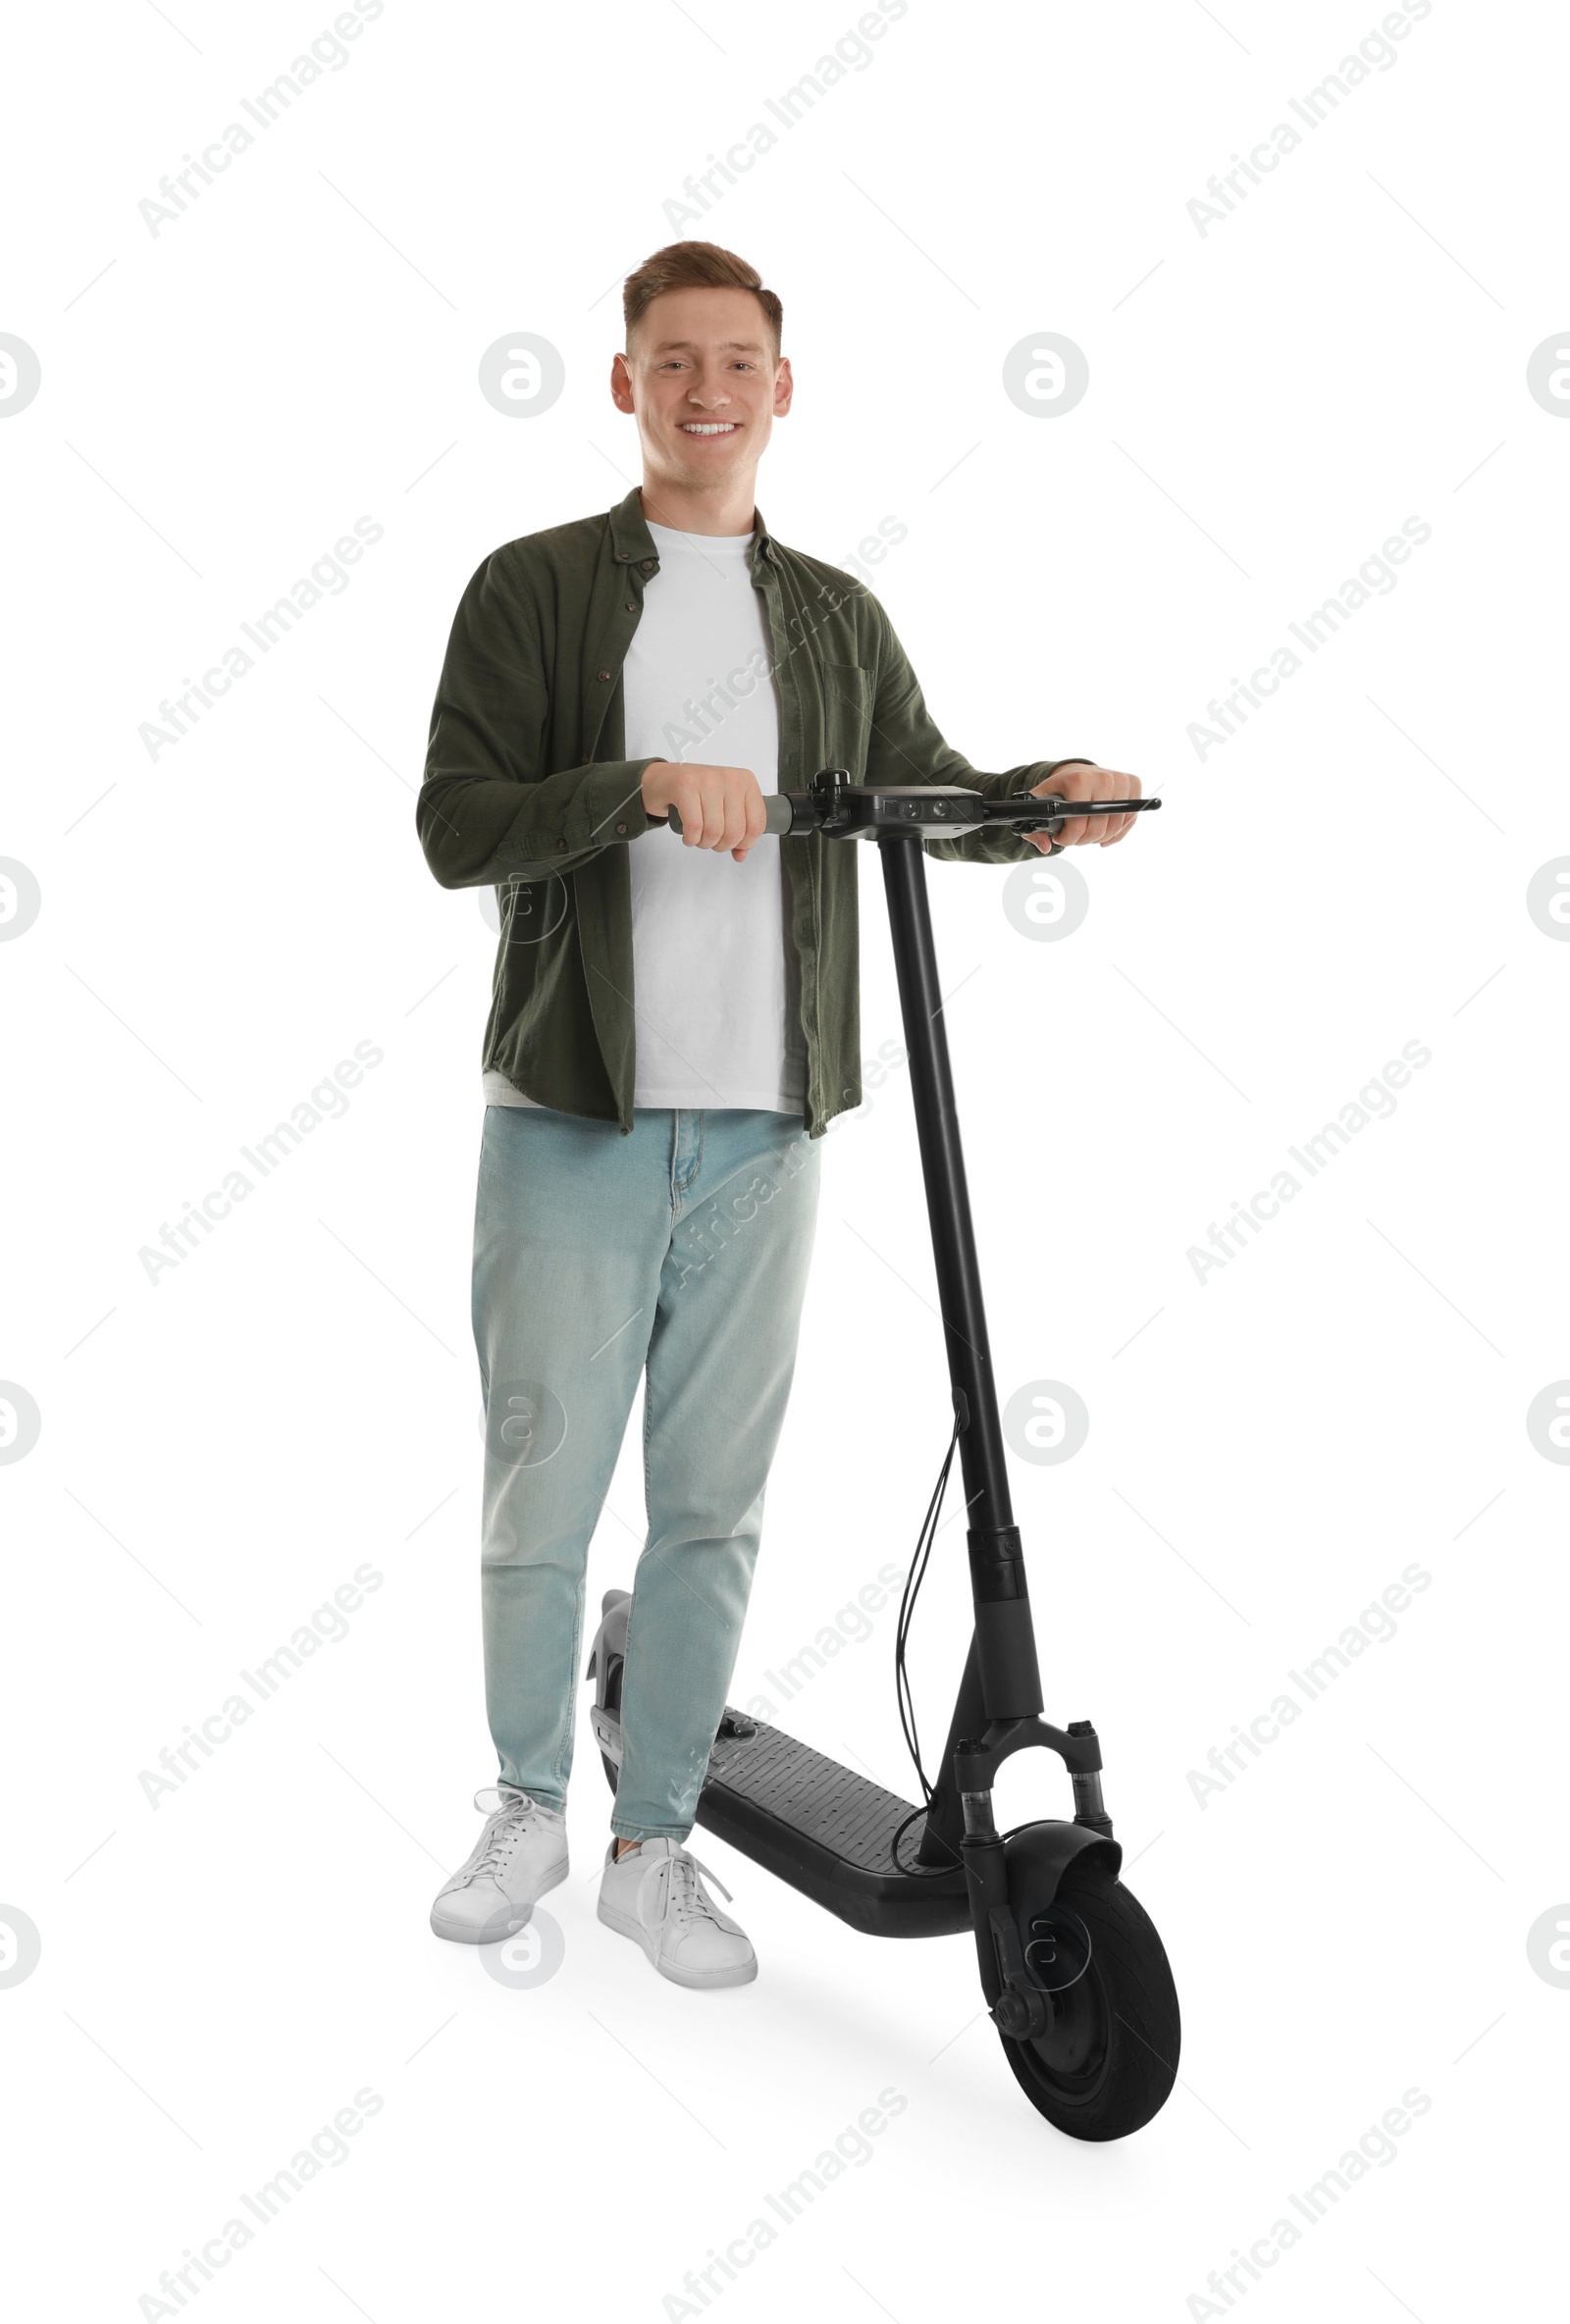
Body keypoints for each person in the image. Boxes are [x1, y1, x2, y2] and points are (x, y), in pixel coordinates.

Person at [415, 238, 1145, 1988]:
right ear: (626, 386)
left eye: (738, 360)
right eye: (674, 361)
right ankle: (529, 1797)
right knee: (543, 1489)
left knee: (713, 1505)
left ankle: (658, 1839)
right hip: (572, 1113)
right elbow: (459, 825)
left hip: (768, 1126)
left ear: (782, 388)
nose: (708, 389)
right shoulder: (533, 589)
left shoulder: (830, 614)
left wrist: (1039, 806)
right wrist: (644, 788)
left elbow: (925, 790)